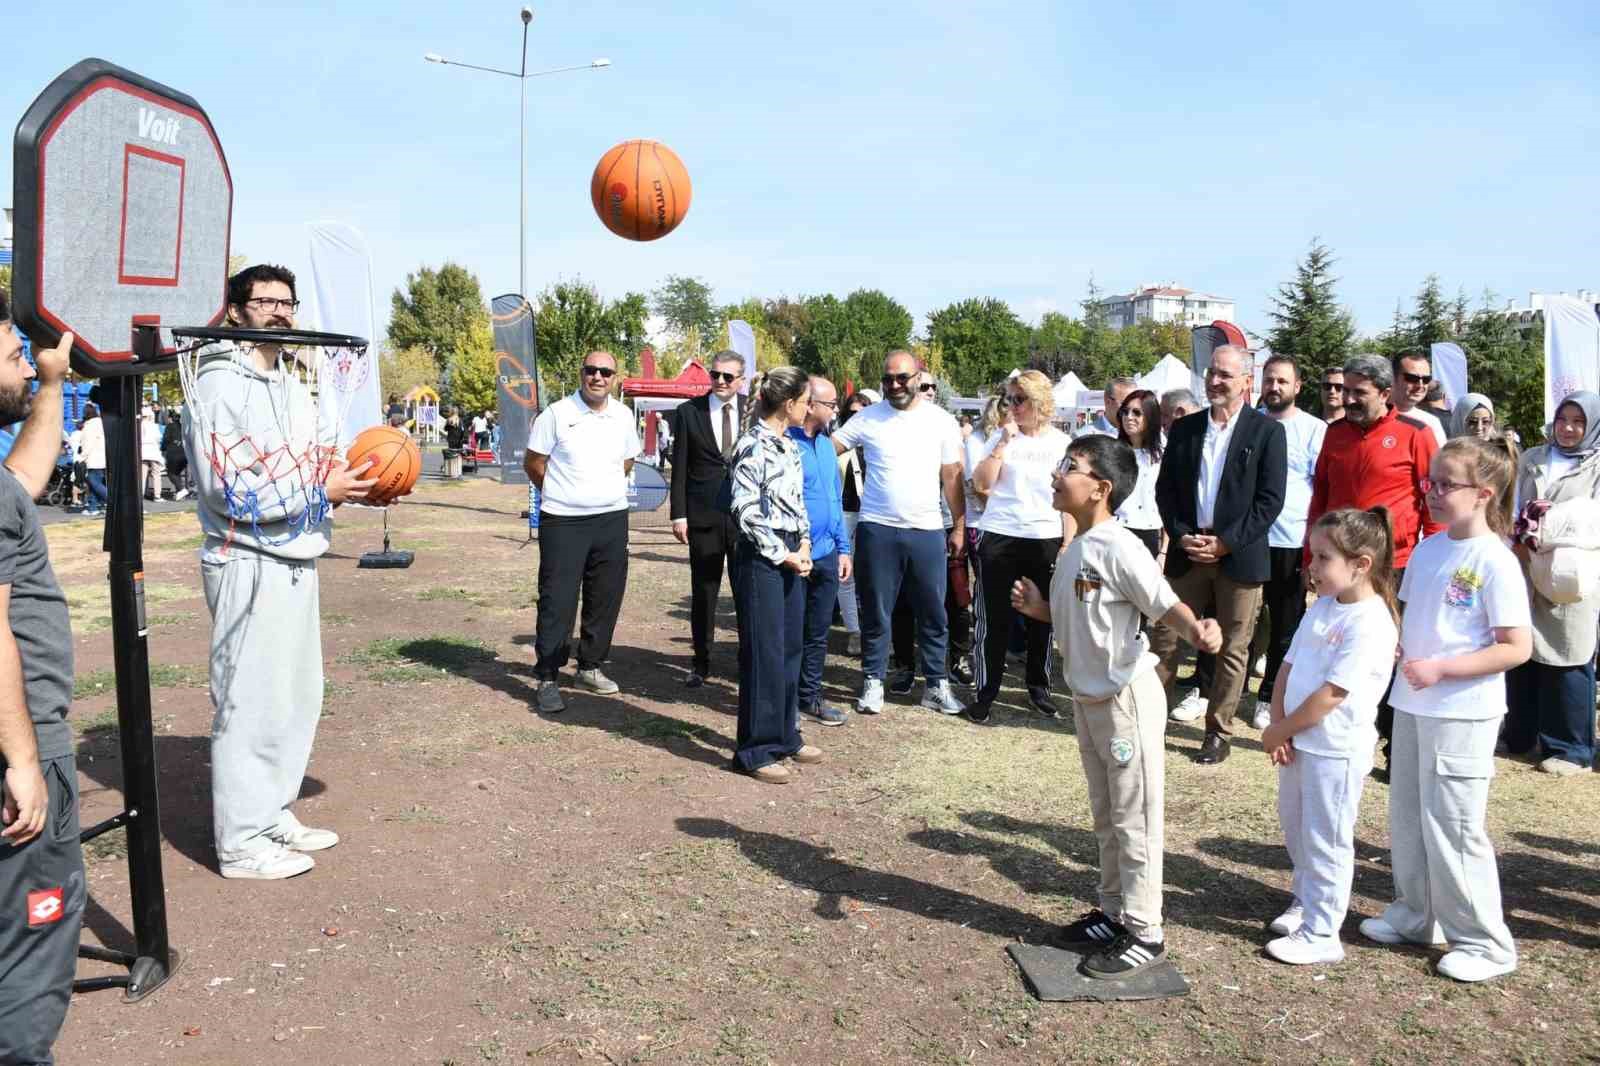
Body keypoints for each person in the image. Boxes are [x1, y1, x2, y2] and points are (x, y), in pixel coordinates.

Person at [183, 265, 378, 881]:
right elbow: (231, 489)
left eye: (285, 302)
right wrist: (322, 487)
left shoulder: (295, 382)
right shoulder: (216, 384)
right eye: (262, 301)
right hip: (247, 560)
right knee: (250, 702)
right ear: (236, 311)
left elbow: (327, 455)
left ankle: (269, 812)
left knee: (296, 697)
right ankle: (240, 842)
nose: (277, 311)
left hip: (297, 556)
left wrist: (362, 481)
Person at [1010, 435, 1221, 977]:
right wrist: (1039, 610)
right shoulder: (1077, 546)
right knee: (1106, 816)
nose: (1058, 474)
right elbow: (1085, 619)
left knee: (1136, 818)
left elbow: (1161, 601)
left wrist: (1198, 631)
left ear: (1100, 488)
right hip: (1088, 700)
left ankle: (1146, 933)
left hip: (1125, 700)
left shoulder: (1118, 544)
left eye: (1070, 467)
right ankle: (1113, 912)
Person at [1360, 436, 1530, 983]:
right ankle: (1417, 914)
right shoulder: (1431, 549)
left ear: (1482, 494)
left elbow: (1515, 646)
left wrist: (1441, 669)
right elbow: (1416, 618)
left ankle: (1484, 941)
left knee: (1455, 825)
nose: (1430, 491)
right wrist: (1399, 646)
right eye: (1429, 481)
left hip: (1464, 711)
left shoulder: (1496, 561)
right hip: (1412, 703)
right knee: (1408, 816)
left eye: (1445, 484)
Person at [1260, 508, 1399, 965]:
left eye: (1322, 558)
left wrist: (1283, 727)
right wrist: (1278, 723)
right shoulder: (1323, 606)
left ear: (1360, 564)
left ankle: (1322, 931)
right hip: (1300, 743)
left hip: (1335, 749)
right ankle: (1305, 900)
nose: (1312, 567)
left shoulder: (1371, 621)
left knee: (1327, 838)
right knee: (1297, 829)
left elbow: (1333, 693)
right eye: (1312, 556)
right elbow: (1288, 668)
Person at [0, 315, 82, 1063]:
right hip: (14, 750)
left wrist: (51, 388)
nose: (25, 365)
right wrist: (22, 758)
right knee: (31, 940)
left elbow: (23, 481)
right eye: (14, 354)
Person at [1151, 345, 1288, 764]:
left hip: (1238, 557)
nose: (1214, 381)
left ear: (1247, 381)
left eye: (1225, 375)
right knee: (1167, 639)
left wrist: (1226, 542)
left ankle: (1218, 732)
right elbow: (1166, 492)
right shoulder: (1186, 429)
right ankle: (1151, 722)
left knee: (1233, 648)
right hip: (1187, 552)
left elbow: (1270, 501)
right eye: (1212, 373)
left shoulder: (1267, 432)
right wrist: (1181, 535)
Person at [1306, 353, 1441, 766]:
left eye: (1358, 392)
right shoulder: (1334, 435)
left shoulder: (1416, 434)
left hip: (1396, 568)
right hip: (1339, 571)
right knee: (1338, 650)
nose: (1347, 398)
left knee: (1393, 655)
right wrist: (1309, 558)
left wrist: (1432, 563)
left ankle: (1395, 747)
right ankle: (1338, 729)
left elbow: (1432, 504)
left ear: (1385, 393)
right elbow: (1321, 498)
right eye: (1345, 390)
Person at [831, 351, 966, 716]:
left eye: (901, 378)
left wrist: (958, 524)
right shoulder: (868, 418)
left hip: (926, 529)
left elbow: (952, 476)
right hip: (878, 528)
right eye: (887, 379)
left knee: (933, 611)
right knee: (877, 610)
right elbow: (829, 450)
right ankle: (873, 681)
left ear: (918, 377)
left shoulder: (942, 421)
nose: (894, 385)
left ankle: (936, 685)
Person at [526, 351, 639, 712]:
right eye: (591, 370)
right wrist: (564, 493)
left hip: (611, 519)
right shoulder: (557, 415)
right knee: (558, 599)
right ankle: (547, 676)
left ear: (614, 377)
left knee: (605, 596)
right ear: (581, 373)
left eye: (605, 371)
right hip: (564, 521)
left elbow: (627, 459)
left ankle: (590, 666)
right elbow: (534, 462)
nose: (597, 377)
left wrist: (600, 491)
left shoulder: (623, 415)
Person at [729, 368, 820, 783]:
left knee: (788, 649)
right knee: (764, 653)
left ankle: (786, 735)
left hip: (790, 555)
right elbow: (745, 511)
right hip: (760, 557)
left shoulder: (789, 446)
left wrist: (803, 545)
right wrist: (782, 554)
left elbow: (797, 503)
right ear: (788, 404)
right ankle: (756, 749)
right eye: (806, 402)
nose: (810, 409)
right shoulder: (751, 446)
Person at [967, 370, 1072, 722]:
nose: (1012, 406)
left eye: (1019, 399)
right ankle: (985, 690)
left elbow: (1069, 498)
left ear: (1039, 402)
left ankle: (1038, 687)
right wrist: (1001, 444)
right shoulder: (1001, 436)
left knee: (1041, 617)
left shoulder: (1061, 443)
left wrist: (1067, 542)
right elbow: (980, 485)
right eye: (1008, 399)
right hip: (999, 534)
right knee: (992, 617)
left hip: (1045, 537)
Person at [1505, 392, 1600, 776]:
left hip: (1569, 572)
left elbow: (1592, 521)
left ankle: (1570, 747)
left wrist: (1544, 527)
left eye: (1578, 421)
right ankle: (1521, 735)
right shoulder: (1532, 458)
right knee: (1522, 650)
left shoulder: (1596, 465)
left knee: (1567, 652)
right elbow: (1512, 505)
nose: (1569, 428)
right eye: (1563, 419)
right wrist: (1520, 535)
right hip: (1524, 563)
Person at [1252, 356, 1327, 730]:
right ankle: (1215, 690)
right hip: (1248, 538)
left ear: (1297, 387)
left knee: (1285, 626)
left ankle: (1268, 696)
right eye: (1269, 380)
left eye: (1282, 381)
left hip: (1290, 540)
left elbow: (1320, 489)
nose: (1274, 387)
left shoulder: (1314, 430)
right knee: (1240, 624)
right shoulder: (1247, 425)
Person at [669, 350, 747, 687]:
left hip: (747, 520)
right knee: (704, 593)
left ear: (740, 380)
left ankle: (750, 660)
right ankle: (700, 662)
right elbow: (680, 468)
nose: (719, 381)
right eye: (715, 375)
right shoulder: (689, 412)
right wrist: (679, 514)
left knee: (747, 593)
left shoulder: (754, 413)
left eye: (728, 377)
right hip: (703, 517)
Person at [788, 375, 851, 728]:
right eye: (830, 404)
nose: (836, 410)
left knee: (817, 631)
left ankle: (809, 696)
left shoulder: (827, 445)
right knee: (791, 630)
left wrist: (843, 548)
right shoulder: (785, 443)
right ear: (809, 405)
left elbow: (834, 499)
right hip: (796, 553)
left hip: (827, 552)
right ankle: (784, 702)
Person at [834, 389, 876, 656]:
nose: (855, 418)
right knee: (845, 577)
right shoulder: (837, 445)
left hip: (874, 516)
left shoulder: (878, 444)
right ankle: (854, 631)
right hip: (846, 514)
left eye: (861, 413)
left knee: (874, 577)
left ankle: (877, 631)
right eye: (850, 413)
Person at [1114, 388, 1164, 558]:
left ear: (1150, 417)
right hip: (1116, 531)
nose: (1129, 417)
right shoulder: (1112, 451)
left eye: (1137, 413)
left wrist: (1164, 551)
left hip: (1149, 532)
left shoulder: (1164, 454)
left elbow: (1171, 502)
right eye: (1125, 411)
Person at [1392, 352, 1447, 446]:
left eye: (1426, 379)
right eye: (1412, 378)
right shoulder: (1372, 417)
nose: (1420, 385)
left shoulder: (1431, 422)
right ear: (1393, 378)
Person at [160, 407, 190, 499]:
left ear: (170, 418)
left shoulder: (170, 426)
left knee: (171, 473)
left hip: (174, 453)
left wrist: (163, 449)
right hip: (184, 453)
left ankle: (181, 489)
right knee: (177, 472)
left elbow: (166, 439)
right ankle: (180, 492)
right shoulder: (183, 426)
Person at [139, 402, 164, 501]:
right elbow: (158, 438)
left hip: (143, 452)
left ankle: (140, 495)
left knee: (142, 475)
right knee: (156, 474)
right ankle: (157, 495)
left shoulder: (138, 426)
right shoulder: (154, 426)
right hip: (153, 452)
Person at [442, 407, 467, 478]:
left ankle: (451, 470)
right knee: (458, 454)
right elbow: (463, 430)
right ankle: (458, 471)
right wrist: (464, 439)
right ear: (457, 412)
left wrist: (449, 425)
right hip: (459, 440)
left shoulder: (449, 419)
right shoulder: (460, 420)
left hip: (451, 439)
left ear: (451, 412)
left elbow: (445, 429)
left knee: (451, 454)